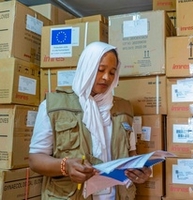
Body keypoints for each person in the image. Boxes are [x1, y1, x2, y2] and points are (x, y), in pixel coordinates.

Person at [29, 41, 152, 200]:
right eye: (100, 70)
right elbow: (35, 159)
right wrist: (65, 166)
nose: (106, 77)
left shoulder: (124, 109)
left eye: (112, 72)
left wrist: (140, 172)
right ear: (87, 67)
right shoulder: (54, 106)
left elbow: (131, 153)